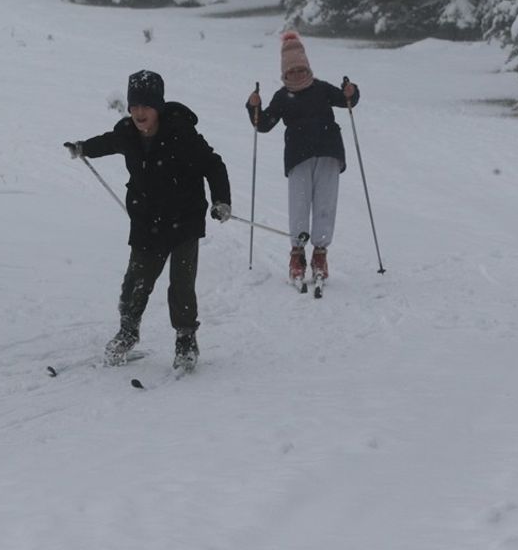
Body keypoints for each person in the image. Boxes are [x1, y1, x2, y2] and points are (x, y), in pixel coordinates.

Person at [64, 70, 231, 372]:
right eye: (134, 106)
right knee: (135, 283)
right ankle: (128, 332)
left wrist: (222, 200)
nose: (140, 112)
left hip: (184, 219)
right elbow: (108, 142)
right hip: (147, 219)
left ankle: (185, 340)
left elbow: (213, 164)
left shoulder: (181, 133)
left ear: (158, 107)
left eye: (146, 106)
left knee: (181, 285)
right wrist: (82, 148)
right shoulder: (128, 133)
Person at [246, 31, 359, 284]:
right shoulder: (282, 97)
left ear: (307, 68)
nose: (297, 75)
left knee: (325, 204)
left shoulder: (321, 89)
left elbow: (346, 100)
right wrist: (253, 106)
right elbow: (263, 124)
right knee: (299, 204)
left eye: (300, 69)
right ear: (284, 74)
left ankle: (320, 253)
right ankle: (297, 254)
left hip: (329, 152)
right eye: (291, 72)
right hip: (298, 156)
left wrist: (351, 91)